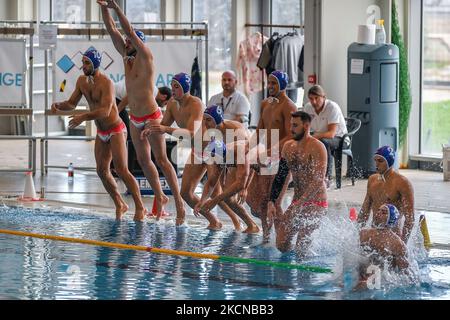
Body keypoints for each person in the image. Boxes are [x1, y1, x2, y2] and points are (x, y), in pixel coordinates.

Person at [99, 0, 185, 225]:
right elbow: (112, 30)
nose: (126, 42)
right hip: (136, 118)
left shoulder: (146, 57)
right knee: (144, 160)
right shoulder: (126, 57)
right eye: (127, 41)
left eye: (130, 40)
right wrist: (103, 8)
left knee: (162, 160)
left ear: (139, 43)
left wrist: (116, 8)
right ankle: (160, 196)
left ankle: (178, 202)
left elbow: (126, 30)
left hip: (151, 117)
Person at [51, 49, 146, 221]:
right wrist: (58, 105)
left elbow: (105, 110)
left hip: (116, 129)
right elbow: (72, 103)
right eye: (83, 62)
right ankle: (120, 204)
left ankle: (140, 207)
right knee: (102, 171)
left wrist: (83, 117)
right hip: (102, 131)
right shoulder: (82, 81)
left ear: (95, 63)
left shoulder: (106, 83)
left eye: (87, 63)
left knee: (121, 170)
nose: (83, 66)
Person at [267, 111, 328, 255]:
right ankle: (290, 270)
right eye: (290, 125)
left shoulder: (317, 147)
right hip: (297, 201)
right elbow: (281, 175)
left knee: (301, 246)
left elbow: (319, 180)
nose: (291, 129)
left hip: (316, 202)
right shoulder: (288, 147)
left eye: (295, 125)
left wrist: (301, 203)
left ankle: (304, 268)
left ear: (306, 126)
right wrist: (272, 201)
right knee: (281, 244)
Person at [246, 70, 297, 242]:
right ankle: (267, 237)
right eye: (269, 82)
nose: (270, 86)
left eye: (274, 83)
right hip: (266, 159)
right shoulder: (265, 104)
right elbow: (260, 129)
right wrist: (250, 147)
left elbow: (291, 135)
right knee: (260, 200)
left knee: (274, 202)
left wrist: (270, 151)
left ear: (283, 85)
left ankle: (283, 238)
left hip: (281, 159)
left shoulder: (289, 106)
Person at [194, 139, 260, 234]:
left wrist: (214, 201)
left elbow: (241, 184)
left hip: (263, 164)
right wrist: (202, 200)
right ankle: (252, 225)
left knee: (257, 206)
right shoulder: (217, 156)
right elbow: (212, 182)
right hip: (247, 165)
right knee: (228, 198)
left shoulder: (239, 152)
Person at [357, 146, 415, 243]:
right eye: (375, 160)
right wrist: (356, 234)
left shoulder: (402, 183)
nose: (376, 164)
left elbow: (410, 219)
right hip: (374, 235)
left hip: (392, 238)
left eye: (380, 161)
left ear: (389, 161)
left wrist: (402, 244)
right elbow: (364, 211)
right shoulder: (372, 180)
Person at [355, 204, 410, 290]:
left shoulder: (397, 244)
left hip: (381, 282)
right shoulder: (364, 233)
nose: (378, 213)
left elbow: (405, 272)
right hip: (362, 277)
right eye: (378, 210)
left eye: (383, 212)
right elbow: (354, 256)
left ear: (391, 219)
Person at [303, 85, 347, 186]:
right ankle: (303, 175)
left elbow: (331, 133)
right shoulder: (308, 107)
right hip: (319, 136)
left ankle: (326, 178)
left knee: (323, 143)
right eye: (311, 99)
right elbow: (305, 127)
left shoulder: (332, 107)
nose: (313, 102)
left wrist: (311, 137)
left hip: (340, 138)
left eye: (316, 98)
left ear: (324, 97)